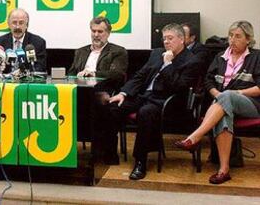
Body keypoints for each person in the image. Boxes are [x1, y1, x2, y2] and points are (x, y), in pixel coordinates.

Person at [95, 23, 200, 179]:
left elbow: (178, 88)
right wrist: (123, 93)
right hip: (145, 96)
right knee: (113, 106)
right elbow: (140, 76)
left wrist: (168, 64)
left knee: (146, 113)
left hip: (168, 102)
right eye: (164, 39)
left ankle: (140, 161)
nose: (166, 42)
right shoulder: (157, 53)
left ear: (182, 39)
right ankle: (109, 153)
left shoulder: (191, 61)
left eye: (170, 38)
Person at [175, 20, 260, 184]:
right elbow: (208, 81)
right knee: (223, 114)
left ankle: (195, 137)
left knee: (227, 96)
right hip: (223, 103)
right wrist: (217, 94)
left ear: (248, 39)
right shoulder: (220, 57)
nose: (232, 40)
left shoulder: (256, 57)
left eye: (237, 36)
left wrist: (236, 92)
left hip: (251, 103)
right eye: (230, 35)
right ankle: (223, 170)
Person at [68, 16, 128, 81]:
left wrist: (94, 74)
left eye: (100, 31)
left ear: (108, 33)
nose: (96, 35)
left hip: (104, 88)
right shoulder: (80, 51)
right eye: (93, 31)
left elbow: (117, 74)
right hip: (80, 87)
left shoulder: (118, 51)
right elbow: (71, 74)